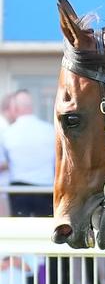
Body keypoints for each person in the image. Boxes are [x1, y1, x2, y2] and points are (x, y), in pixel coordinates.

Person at [4, 90, 55, 218]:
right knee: (46, 231)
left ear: (14, 108)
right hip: (46, 189)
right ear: (32, 107)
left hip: (18, 191)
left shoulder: (7, 134)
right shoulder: (50, 130)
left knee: (21, 232)